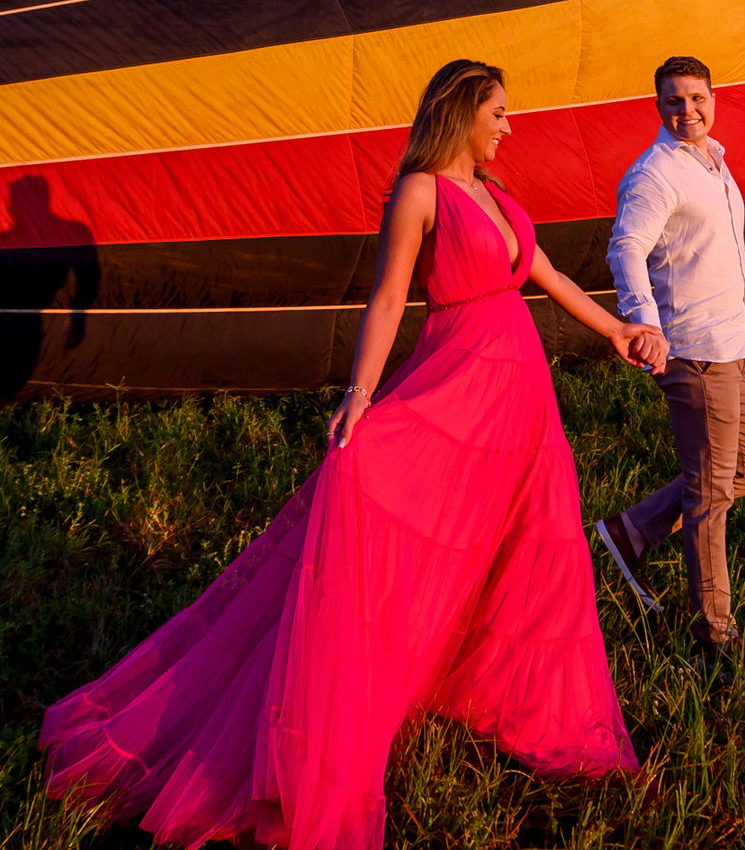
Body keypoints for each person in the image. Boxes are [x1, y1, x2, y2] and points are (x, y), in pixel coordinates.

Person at [42, 59, 668, 850]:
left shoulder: (499, 196)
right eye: (499, 113)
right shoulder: (420, 192)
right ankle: (342, 709)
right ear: (463, 113)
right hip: (455, 389)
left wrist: (616, 332)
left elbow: (542, 274)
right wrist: (361, 394)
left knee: (528, 549)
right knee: (398, 528)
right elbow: (386, 295)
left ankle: (492, 691)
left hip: (521, 404)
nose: (510, 127)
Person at [594, 55, 745, 679]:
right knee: (710, 497)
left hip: (734, 342)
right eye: (673, 101)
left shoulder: (717, 165)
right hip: (694, 352)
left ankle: (630, 532)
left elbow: (730, 253)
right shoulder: (654, 174)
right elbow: (627, 248)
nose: (687, 110)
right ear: (658, 107)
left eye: (695, 98)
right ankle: (718, 641)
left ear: (713, 98)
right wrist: (642, 322)